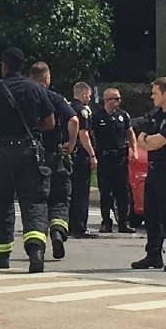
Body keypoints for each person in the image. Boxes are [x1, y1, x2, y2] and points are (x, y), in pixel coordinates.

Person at [0, 48, 56, 273]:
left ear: (4, 66)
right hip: (29, 153)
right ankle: (36, 252)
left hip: (2, 153)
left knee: (1, 204)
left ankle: (1, 256)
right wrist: (31, 131)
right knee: (34, 203)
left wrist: (0, 132)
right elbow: (49, 122)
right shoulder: (35, 89)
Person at [133, 77, 166, 272]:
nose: (152, 96)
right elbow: (141, 139)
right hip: (154, 168)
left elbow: (157, 142)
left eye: (155, 93)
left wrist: (149, 140)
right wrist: (148, 139)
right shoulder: (156, 114)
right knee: (152, 214)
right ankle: (153, 255)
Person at [29, 62, 78, 260]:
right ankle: (57, 231)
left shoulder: (24, 95)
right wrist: (71, 144)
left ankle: (36, 244)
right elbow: (74, 120)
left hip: (30, 157)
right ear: (47, 78)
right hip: (53, 155)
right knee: (58, 199)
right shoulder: (55, 98)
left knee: (35, 202)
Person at [91, 88, 137, 233]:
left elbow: (130, 133)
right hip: (104, 158)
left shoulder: (123, 115)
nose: (118, 101)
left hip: (120, 158)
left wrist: (134, 150)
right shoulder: (97, 117)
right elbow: (91, 134)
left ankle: (124, 223)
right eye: (115, 99)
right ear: (106, 100)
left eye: (119, 99)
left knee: (123, 192)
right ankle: (106, 222)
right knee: (105, 193)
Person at [68, 82, 99, 239]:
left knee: (70, 191)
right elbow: (84, 134)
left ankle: (68, 225)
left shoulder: (67, 107)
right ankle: (79, 227)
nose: (89, 98)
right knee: (81, 192)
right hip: (80, 154)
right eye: (89, 95)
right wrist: (92, 154)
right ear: (84, 94)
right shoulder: (83, 110)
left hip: (69, 153)